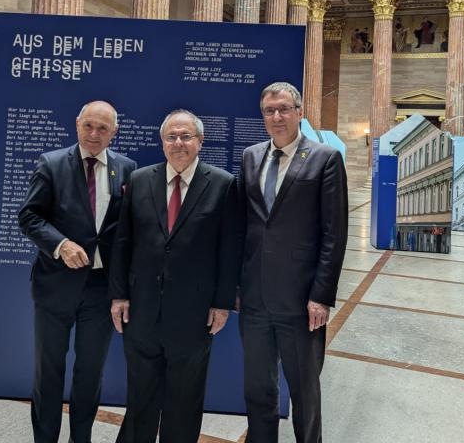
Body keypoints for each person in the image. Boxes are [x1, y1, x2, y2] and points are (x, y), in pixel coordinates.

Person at [109, 109, 243, 443]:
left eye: (186, 136)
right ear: (162, 142)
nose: (178, 143)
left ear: (200, 141)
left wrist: (223, 303)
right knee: (140, 396)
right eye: (171, 136)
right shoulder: (140, 180)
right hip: (141, 310)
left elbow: (229, 251)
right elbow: (123, 242)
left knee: (185, 399)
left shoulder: (223, 185)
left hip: (194, 313)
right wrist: (119, 295)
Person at [19, 101, 137, 443]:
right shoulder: (52, 164)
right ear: (77, 124)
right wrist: (61, 244)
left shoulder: (127, 168)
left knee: (90, 372)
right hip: (55, 286)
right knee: (48, 371)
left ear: (114, 131)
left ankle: (79, 438)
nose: (94, 134)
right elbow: (29, 216)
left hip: (101, 289)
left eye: (103, 128)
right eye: (89, 126)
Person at [238, 82, 348, 443]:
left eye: (284, 109)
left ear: (300, 112)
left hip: (302, 302)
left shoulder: (324, 158)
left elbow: (334, 234)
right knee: (258, 387)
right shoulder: (251, 156)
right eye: (270, 111)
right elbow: (243, 226)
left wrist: (322, 295)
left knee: (304, 391)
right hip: (255, 299)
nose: (277, 117)